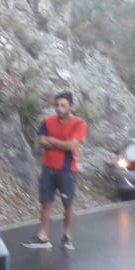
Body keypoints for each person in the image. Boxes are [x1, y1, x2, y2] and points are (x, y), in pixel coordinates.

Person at [22, 91, 88, 250]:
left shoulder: (80, 124)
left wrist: (51, 140)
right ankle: (42, 237)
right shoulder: (47, 121)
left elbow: (72, 146)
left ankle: (67, 236)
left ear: (71, 106)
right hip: (48, 169)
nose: (59, 108)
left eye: (63, 105)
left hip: (67, 171)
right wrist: (60, 143)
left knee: (68, 205)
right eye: (57, 105)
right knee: (45, 203)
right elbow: (41, 142)